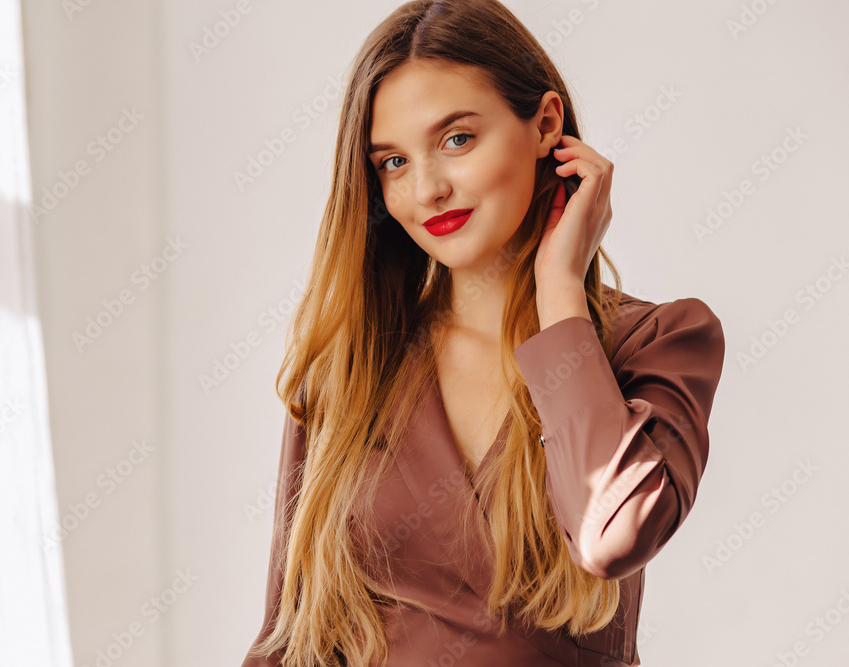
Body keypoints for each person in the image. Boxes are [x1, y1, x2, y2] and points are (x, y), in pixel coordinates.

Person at [241, 0, 725, 665]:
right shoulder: (350, 367)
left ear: (546, 124)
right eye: (393, 162)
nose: (427, 189)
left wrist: (560, 289)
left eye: (456, 140)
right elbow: (289, 637)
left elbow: (612, 536)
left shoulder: (659, 340)